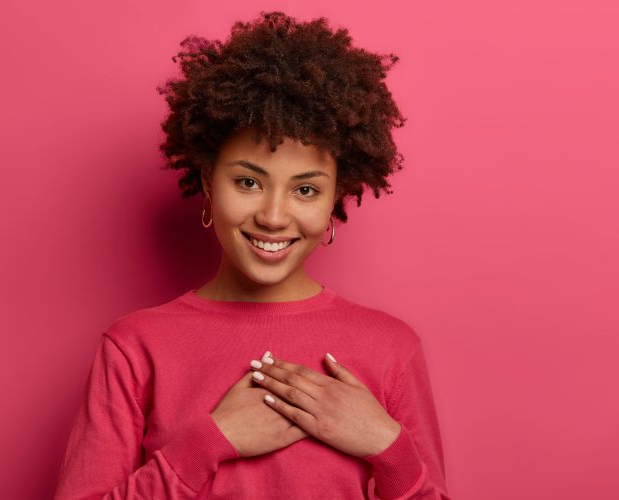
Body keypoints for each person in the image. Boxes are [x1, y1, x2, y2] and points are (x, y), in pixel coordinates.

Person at [53, 10, 450, 500]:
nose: (274, 216)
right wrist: (211, 442)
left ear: (335, 200)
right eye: (248, 182)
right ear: (206, 182)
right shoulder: (135, 347)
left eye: (305, 190)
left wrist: (387, 446)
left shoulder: (392, 348)